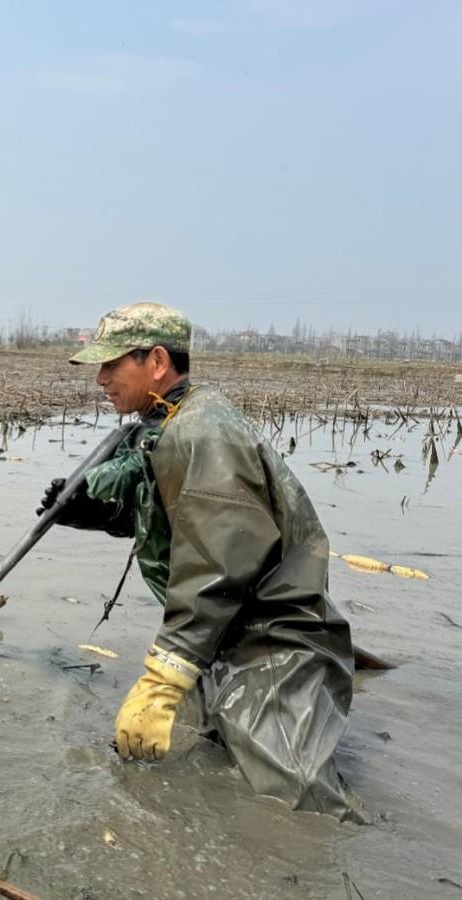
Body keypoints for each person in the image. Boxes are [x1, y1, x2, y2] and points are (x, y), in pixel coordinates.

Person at [41, 301, 364, 822]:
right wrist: (95, 508)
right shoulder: (167, 419)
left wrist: (163, 676)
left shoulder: (202, 432)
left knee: (298, 805)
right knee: (206, 765)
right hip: (220, 635)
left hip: (272, 642)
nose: (100, 378)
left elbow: (219, 562)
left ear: (157, 362)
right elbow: (166, 505)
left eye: (111, 363)